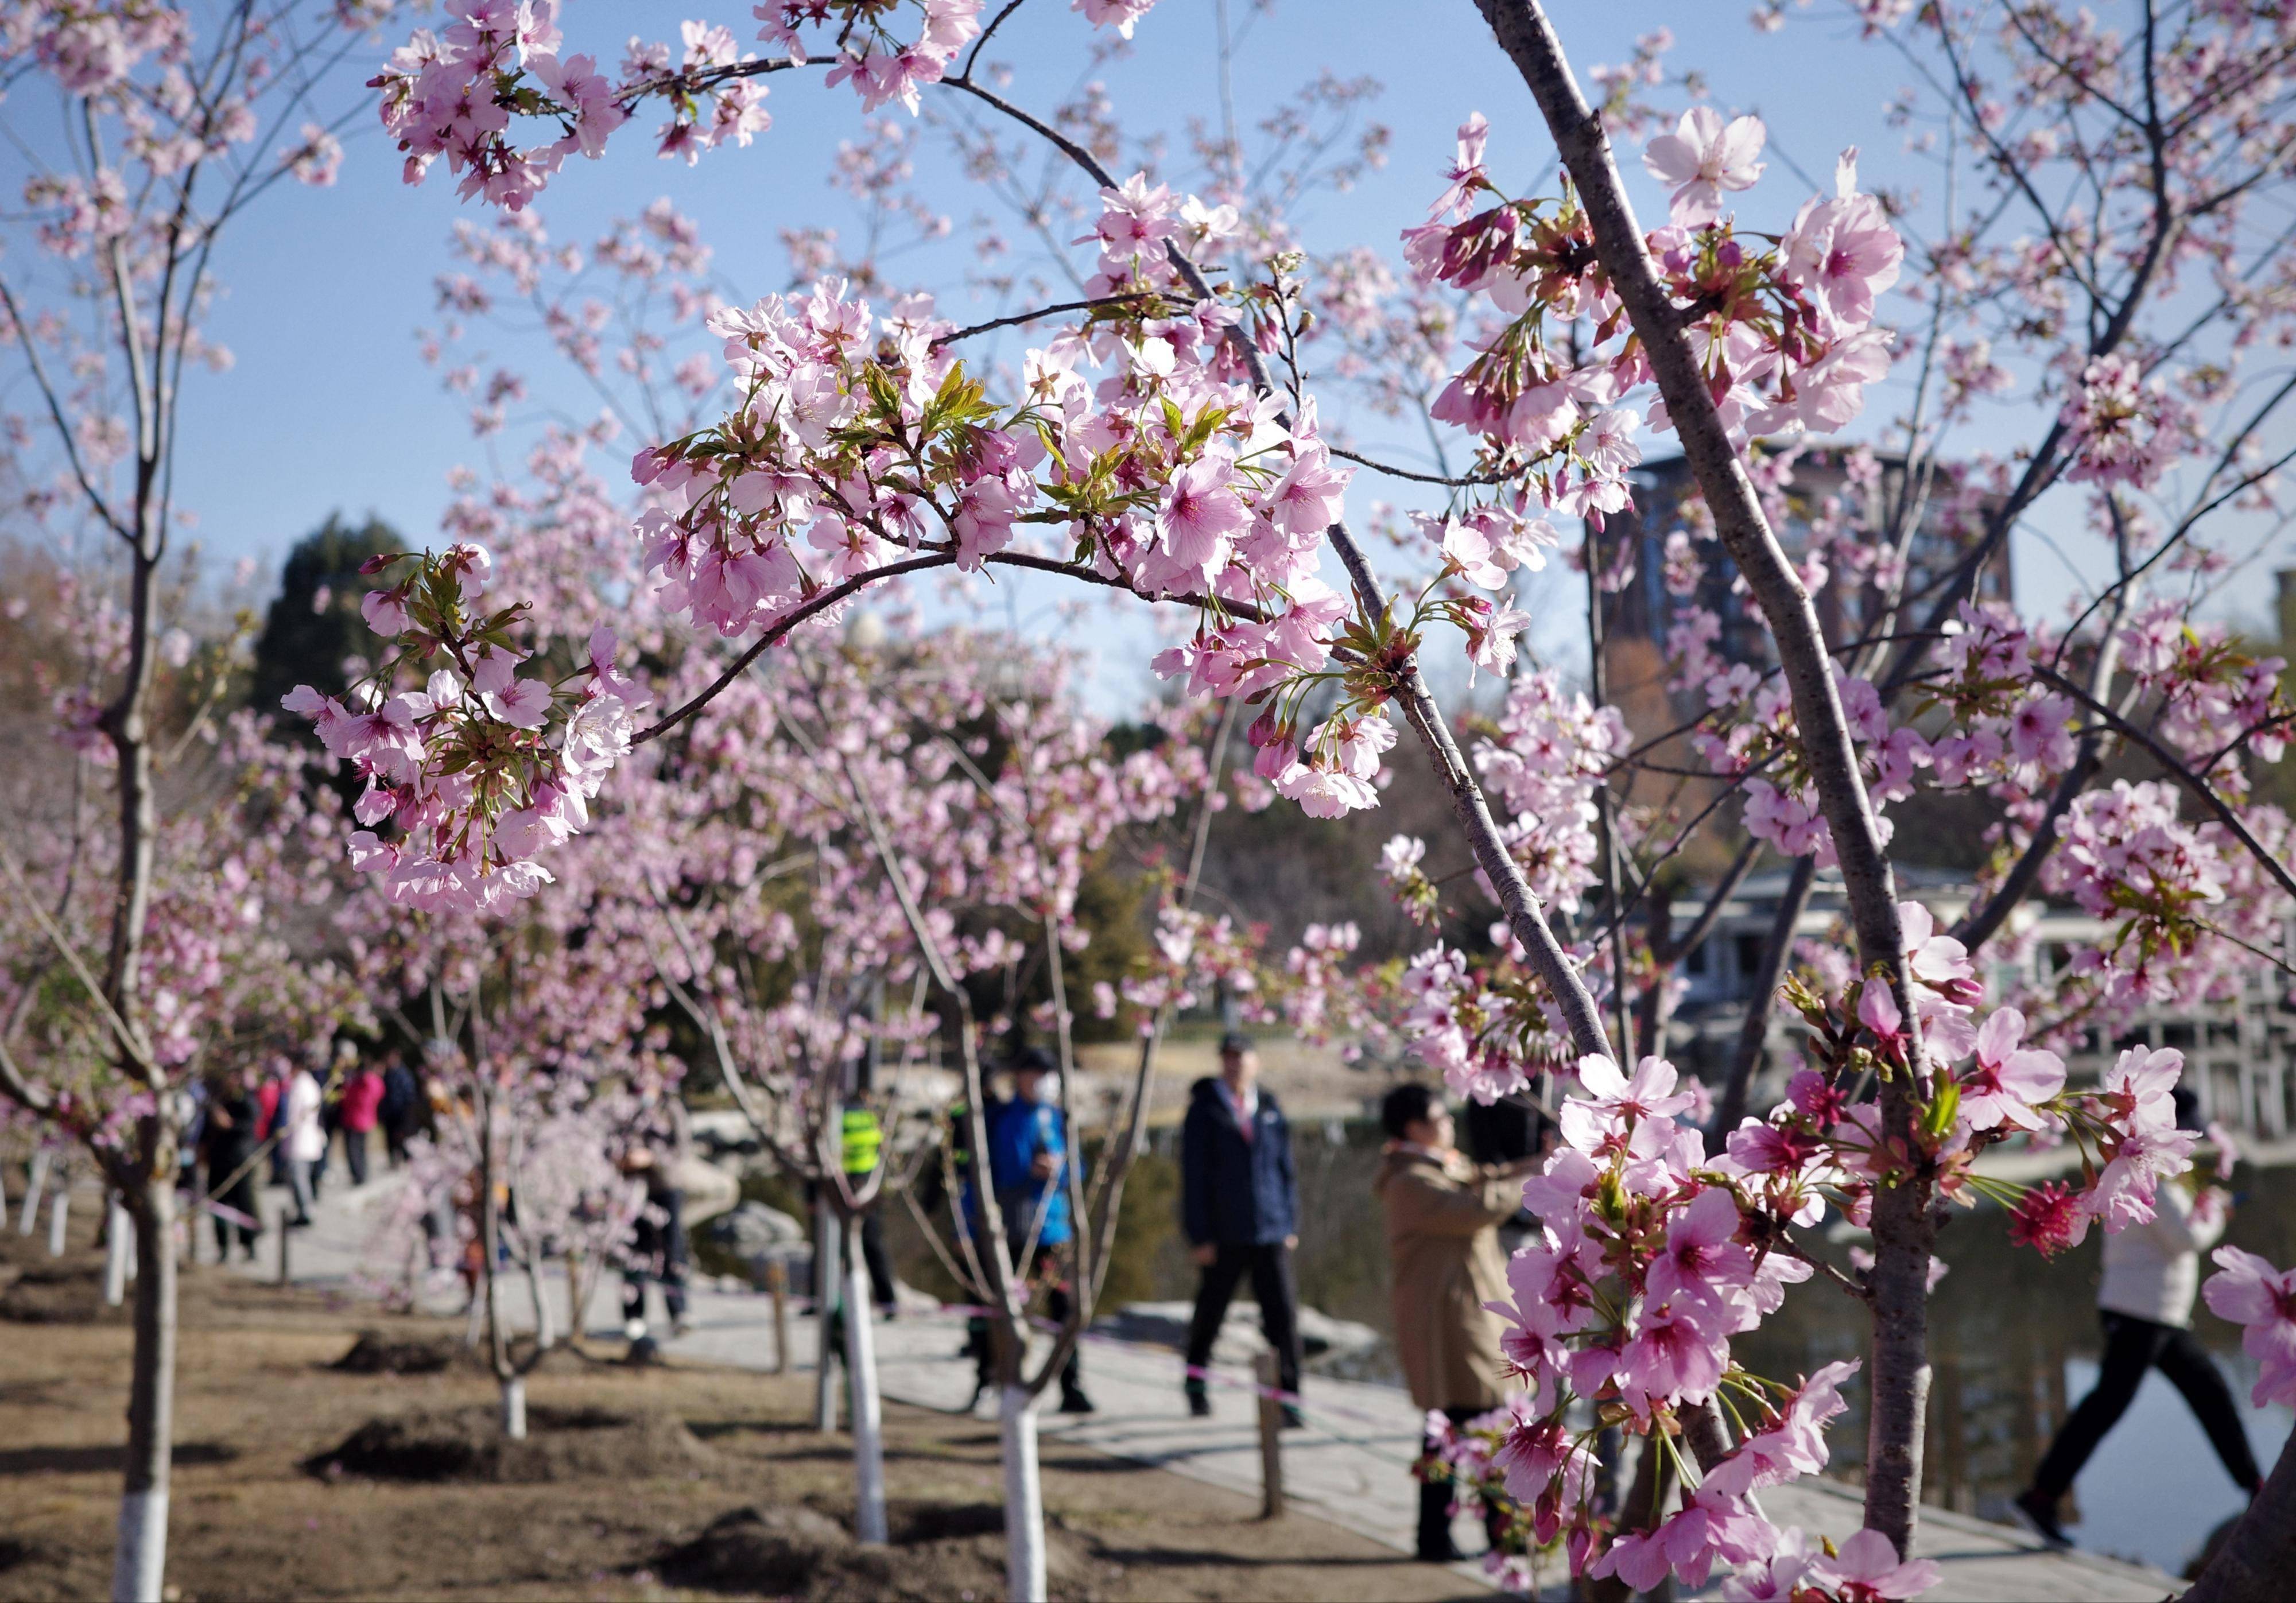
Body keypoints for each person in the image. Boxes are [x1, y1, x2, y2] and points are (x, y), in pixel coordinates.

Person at [2015, 1092, 2260, 1546]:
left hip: (2159, 1316)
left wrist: (2202, 1203)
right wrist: (2219, 1216)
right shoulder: (2146, 1173)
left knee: (2212, 1394)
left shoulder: (2162, 1176)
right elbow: (2184, 1238)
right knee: (2108, 1405)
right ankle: (2040, 1496)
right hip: (2140, 1313)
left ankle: (2256, 1489)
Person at [1372, 1082, 1539, 1564]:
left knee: (1462, 1422)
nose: (1449, 1122)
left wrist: (1532, 1166)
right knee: (1474, 1419)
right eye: (1439, 1116)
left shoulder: (1434, 1165)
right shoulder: (1409, 1182)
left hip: (1462, 1312)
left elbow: (1483, 1176)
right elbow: (1478, 1206)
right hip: (1447, 1320)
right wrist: (1524, 1183)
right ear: (1414, 1127)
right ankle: (1492, 1533)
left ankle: (1463, 1534)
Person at [1180, 1031, 1304, 1425]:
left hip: (1269, 1230)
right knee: (1211, 1313)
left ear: (1255, 1061)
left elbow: (1285, 1170)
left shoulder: (1268, 1104)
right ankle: (1197, 1386)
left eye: (1242, 1056)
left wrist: (1289, 1222)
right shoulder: (1204, 1109)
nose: (1235, 1063)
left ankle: (1291, 1398)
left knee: (1283, 1317)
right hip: (1224, 1234)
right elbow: (1193, 1177)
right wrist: (1199, 1235)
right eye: (1228, 1057)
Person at [977, 1048, 1093, 1415]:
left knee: (1066, 1309)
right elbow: (1000, 1171)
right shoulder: (1003, 1119)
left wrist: (1060, 1170)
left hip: (1053, 1229)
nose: (1042, 1079)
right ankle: (989, 1378)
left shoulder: (1058, 1117)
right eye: (1035, 1072)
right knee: (1000, 1308)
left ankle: (1071, 1385)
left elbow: (1079, 1170)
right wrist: (1033, 1170)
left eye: (1047, 1072)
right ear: (1020, 1077)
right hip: (1012, 1229)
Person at [618, 1080, 694, 1345]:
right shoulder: (624, 1105)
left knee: (673, 1250)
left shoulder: (670, 1108)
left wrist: (652, 1158)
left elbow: (682, 1149)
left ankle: (679, 1311)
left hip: (666, 1186)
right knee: (635, 1253)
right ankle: (634, 1316)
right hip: (633, 1189)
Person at [199, 1070, 263, 1261]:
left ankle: (249, 1245)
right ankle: (223, 1248)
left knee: (244, 1205)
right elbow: (207, 1129)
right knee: (218, 1206)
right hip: (218, 1161)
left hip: (240, 1162)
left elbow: (251, 1125)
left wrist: (230, 1124)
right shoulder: (216, 1101)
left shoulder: (246, 1100)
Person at [278, 1058, 327, 1228]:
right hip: (304, 1139)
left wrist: (285, 1131)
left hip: (301, 1139)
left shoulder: (301, 1085)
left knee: (299, 1178)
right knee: (301, 1177)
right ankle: (304, 1209)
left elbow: (294, 1114)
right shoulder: (308, 1084)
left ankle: (306, 1211)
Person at [337, 1059, 386, 1188]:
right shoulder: (375, 1082)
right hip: (366, 1120)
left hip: (354, 1120)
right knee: (361, 1149)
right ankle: (362, 1174)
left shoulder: (358, 1084)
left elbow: (346, 1099)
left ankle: (358, 1176)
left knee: (353, 1150)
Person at [378, 1053, 421, 1167]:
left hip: (401, 1112)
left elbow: (409, 1095)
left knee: (403, 1138)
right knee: (391, 1139)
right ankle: (394, 1161)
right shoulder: (387, 1074)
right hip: (390, 1113)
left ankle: (409, 1160)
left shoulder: (404, 1075)